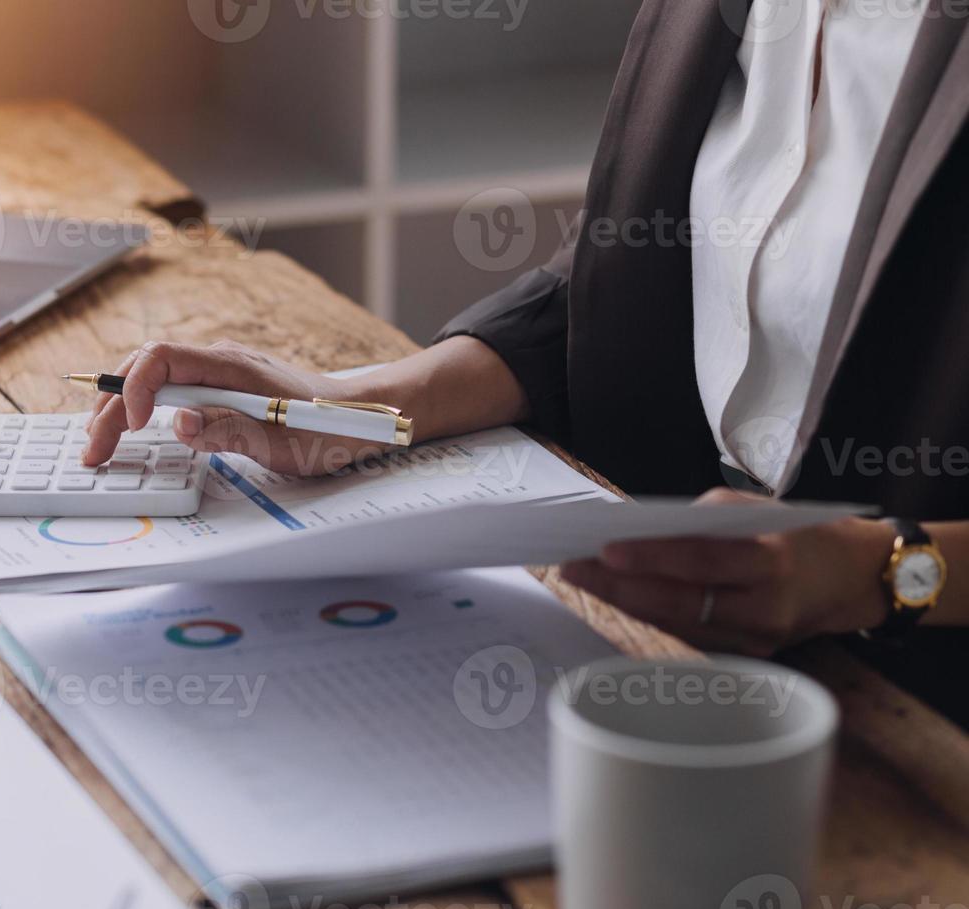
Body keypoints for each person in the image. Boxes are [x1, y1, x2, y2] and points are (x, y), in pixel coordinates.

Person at [81, 0, 969, 723]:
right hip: (668, 641)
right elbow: (638, 265)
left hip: (918, 706)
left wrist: (875, 571)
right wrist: (359, 403)